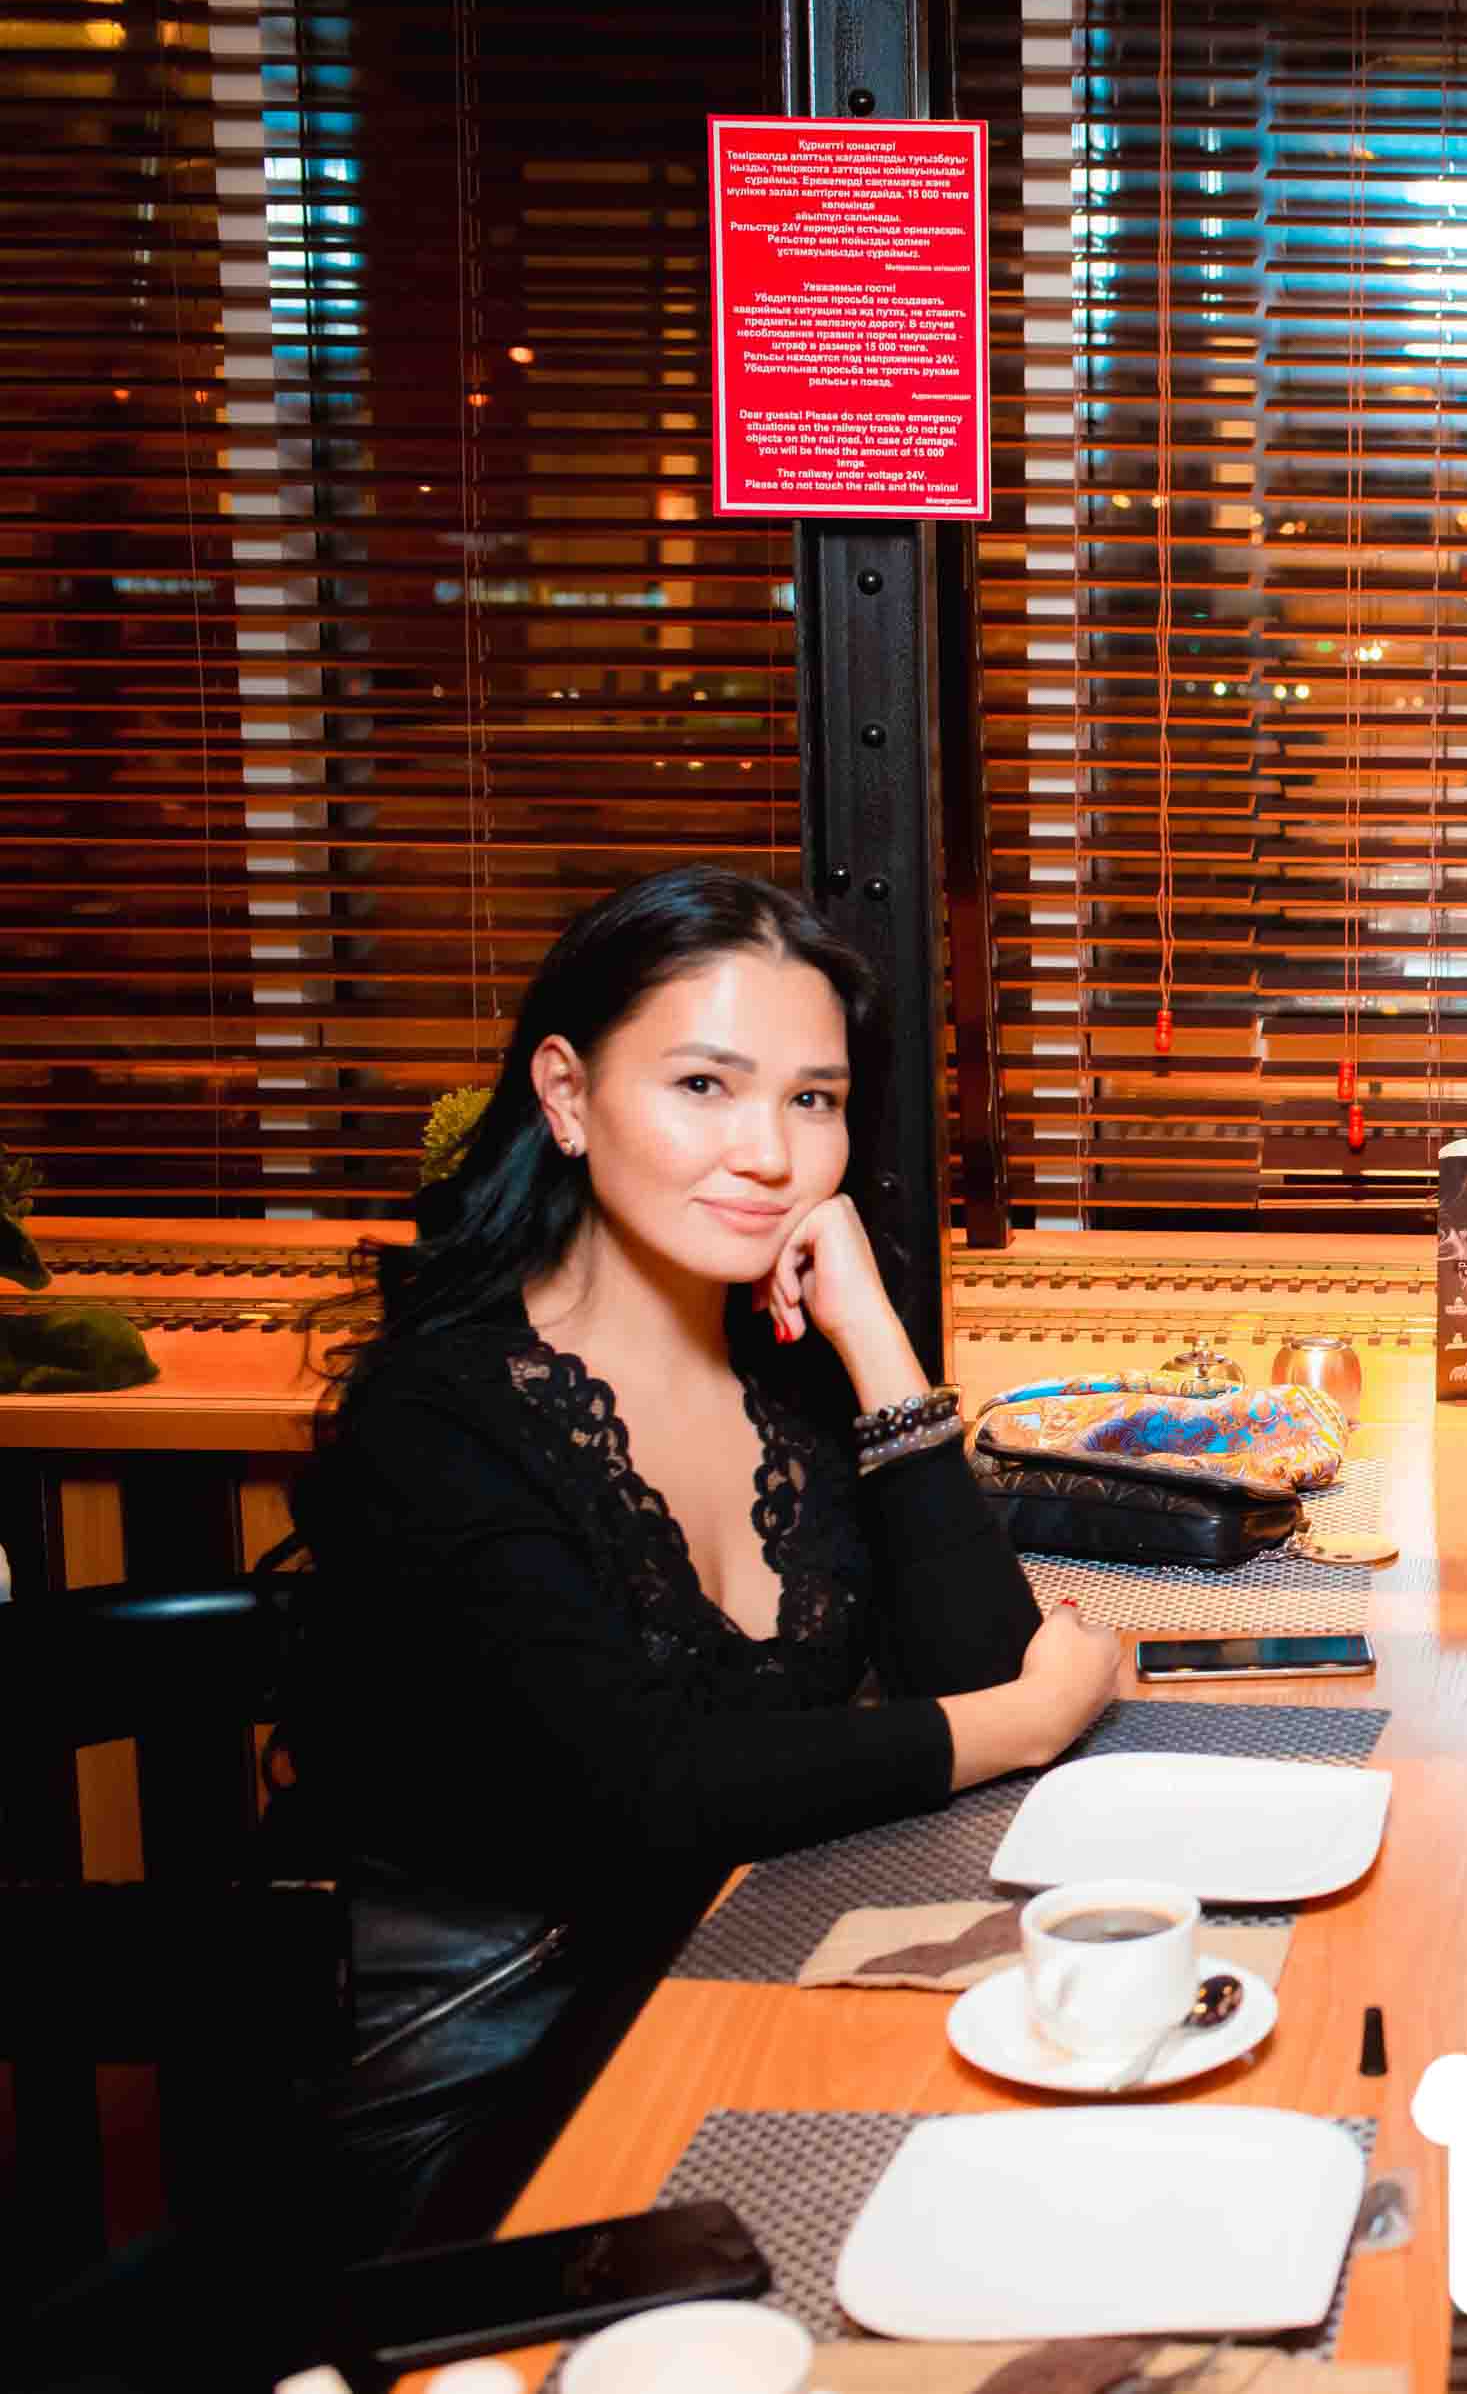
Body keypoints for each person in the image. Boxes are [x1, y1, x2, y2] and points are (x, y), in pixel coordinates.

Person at [267, 863, 1123, 2260]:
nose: (769, 1155)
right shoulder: (440, 1416)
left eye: (812, 1100)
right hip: (494, 2081)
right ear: (566, 1095)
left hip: (738, 1981)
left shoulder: (789, 1390)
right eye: (704, 1086)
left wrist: (873, 1336)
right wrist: (1025, 1720)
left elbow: (976, 1659)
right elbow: (650, 1789)